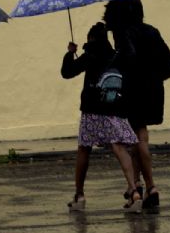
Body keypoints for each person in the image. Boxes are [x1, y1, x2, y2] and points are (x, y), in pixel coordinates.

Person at [103, 0, 170, 210]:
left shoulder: (123, 32)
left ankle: (148, 186)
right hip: (152, 92)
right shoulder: (152, 31)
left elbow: (127, 59)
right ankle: (140, 186)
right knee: (139, 138)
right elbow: (169, 62)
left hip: (132, 92)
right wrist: (155, 78)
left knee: (136, 140)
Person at [60, 22, 142, 213]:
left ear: (91, 39)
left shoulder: (90, 55)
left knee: (84, 149)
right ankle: (134, 192)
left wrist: (70, 53)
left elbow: (67, 72)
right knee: (119, 147)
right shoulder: (116, 55)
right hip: (114, 107)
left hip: (92, 110)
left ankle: (79, 196)